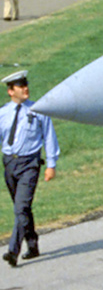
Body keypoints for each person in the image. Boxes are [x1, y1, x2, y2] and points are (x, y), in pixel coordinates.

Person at [3, 71, 60, 265]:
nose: (25, 88)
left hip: (30, 164)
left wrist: (51, 165)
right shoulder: (3, 113)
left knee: (21, 207)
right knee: (22, 210)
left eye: (26, 84)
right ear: (11, 91)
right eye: (20, 86)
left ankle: (12, 251)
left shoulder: (38, 110)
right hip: (10, 163)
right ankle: (32, 244)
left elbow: (49, 138)